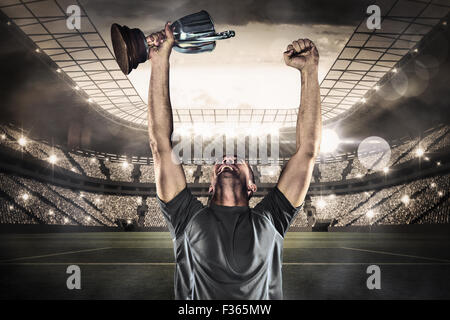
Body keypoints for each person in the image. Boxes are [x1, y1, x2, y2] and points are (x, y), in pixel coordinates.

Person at [147, 22, 321, 299]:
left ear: (252, 186)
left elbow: (307, 151)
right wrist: (159, 60)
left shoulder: (273, 218)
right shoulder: (185, 218)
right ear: (210, 186)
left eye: (238, 160)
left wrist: (309, 71)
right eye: (221, 160)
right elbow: (160, 144)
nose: (227, 158)